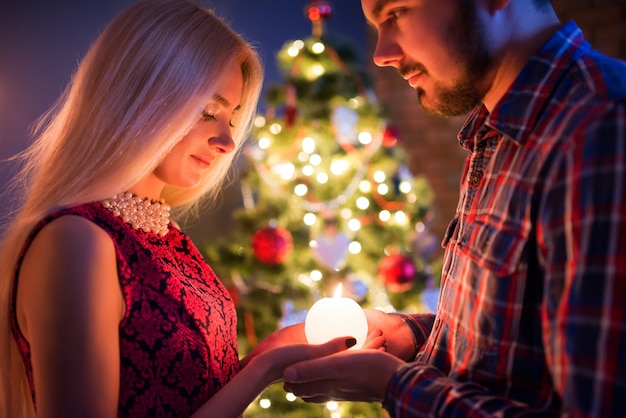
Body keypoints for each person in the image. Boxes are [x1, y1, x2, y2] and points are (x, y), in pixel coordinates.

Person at [0, 1, 384, 417]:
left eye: (232, 118)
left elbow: (187, 400)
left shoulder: (165, 237)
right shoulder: (76, 242)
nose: (227, 142)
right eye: (207, 112)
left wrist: (260, 360)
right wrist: (262, 371)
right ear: (139, 97)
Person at [282, 0, 626, 416]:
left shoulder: (601, 129)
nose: (381, 53)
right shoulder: (498, 129)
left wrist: (395, 384)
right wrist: (410, 334)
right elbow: (516, 349)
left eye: (396, 12)